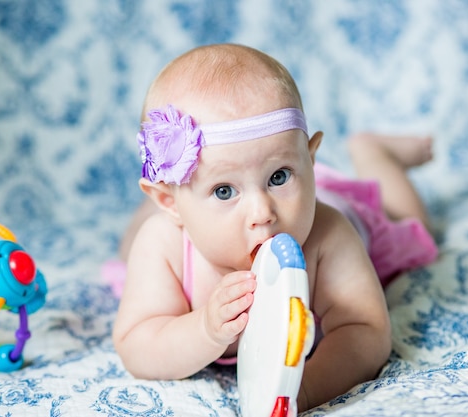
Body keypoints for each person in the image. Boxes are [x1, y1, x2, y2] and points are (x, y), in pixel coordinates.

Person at [110, 43, 437, 412]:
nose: (262, 212)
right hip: (181, 218)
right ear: (169, 203)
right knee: (133, 247)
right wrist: (204, 329)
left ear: (309, 161)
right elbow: (137, 346)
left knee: (413, 223)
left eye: (279, 176)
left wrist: (305, 389)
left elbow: (366, 332)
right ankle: (204, 193)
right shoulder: (165, 245)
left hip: (334, 205)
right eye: (223, 190)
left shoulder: (329, 236)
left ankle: (374, 154)